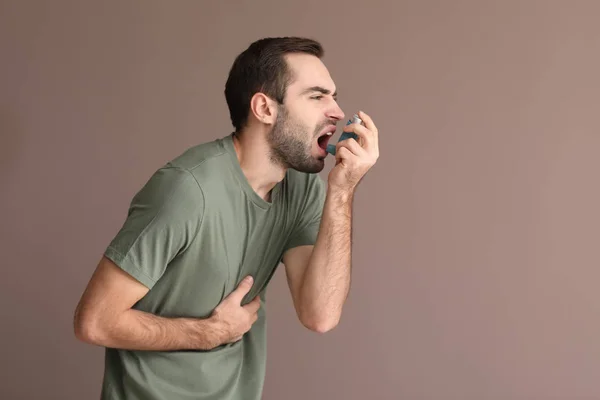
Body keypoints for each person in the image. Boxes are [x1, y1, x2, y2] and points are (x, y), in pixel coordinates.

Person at [73, 36, 379, 400]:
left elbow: (320, 315)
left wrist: (342, 190)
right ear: (265, 108)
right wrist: (210, 333)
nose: (336, 111)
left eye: (333, 95)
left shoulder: (300, 188)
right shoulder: (187, 190)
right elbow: (94, 322)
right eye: (316, 96)